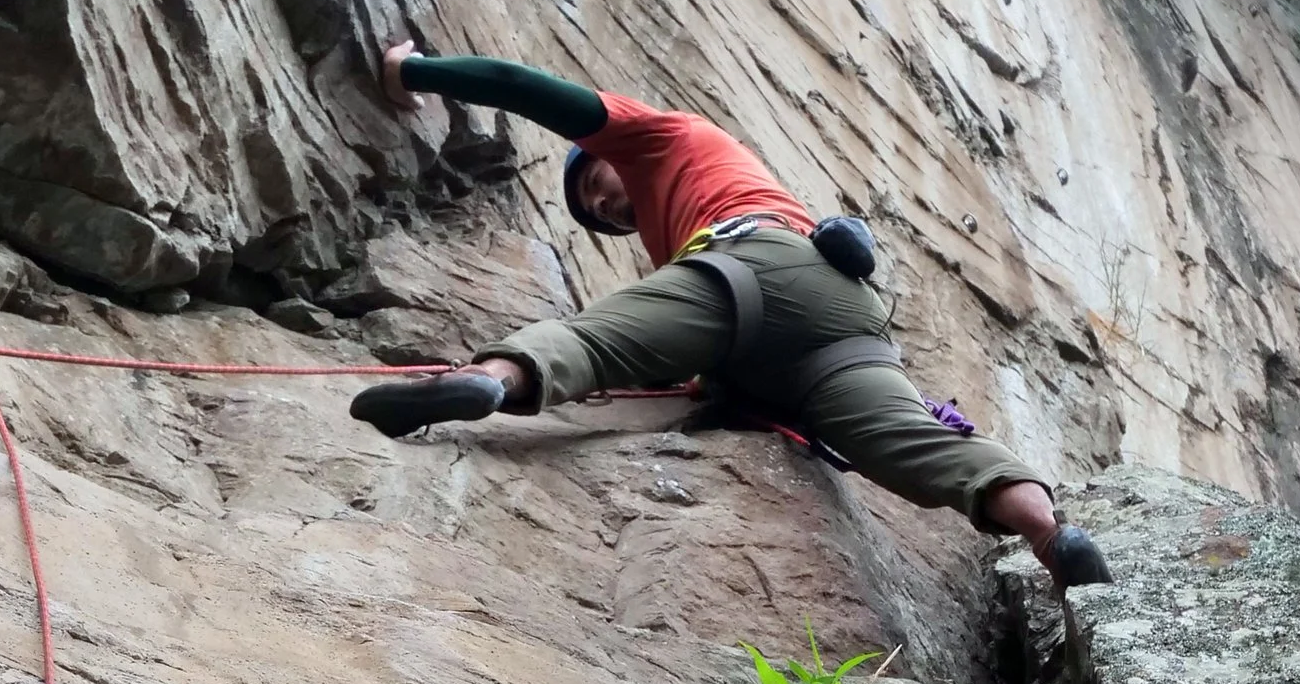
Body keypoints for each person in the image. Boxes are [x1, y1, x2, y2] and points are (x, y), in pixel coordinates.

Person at [353, 43, 1112, 590]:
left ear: (610, 148)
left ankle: (487, 381)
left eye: (596, 183)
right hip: (841, 317)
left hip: (750, 261)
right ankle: (1053, 536)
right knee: (917, 443)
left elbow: (519, 86)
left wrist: (411, 71)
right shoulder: (687, 217)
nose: (603, 203)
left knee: (591, 342)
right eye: (594, 212)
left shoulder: (658, 134)